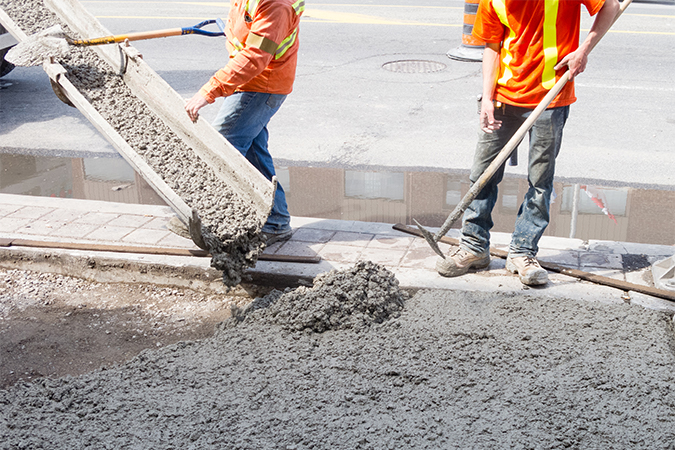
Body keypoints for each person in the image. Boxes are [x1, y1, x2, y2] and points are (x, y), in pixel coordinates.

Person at [437, 0, 620, 285]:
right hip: (503, 97)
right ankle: (474, 247)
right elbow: (492, 47)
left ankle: (522, 252)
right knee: (482, 176)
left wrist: (583, 50)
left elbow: (611, 5)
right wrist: (487, 97)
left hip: (551, 96)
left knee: (540, 180)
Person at [185, 0, 305, 244]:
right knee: (253, 152)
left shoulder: (277, 5)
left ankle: (209, 218)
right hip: (254, 82)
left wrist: (209, 91)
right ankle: (276, 220)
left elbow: (255, 56)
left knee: (222, 148)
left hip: (262, 85)